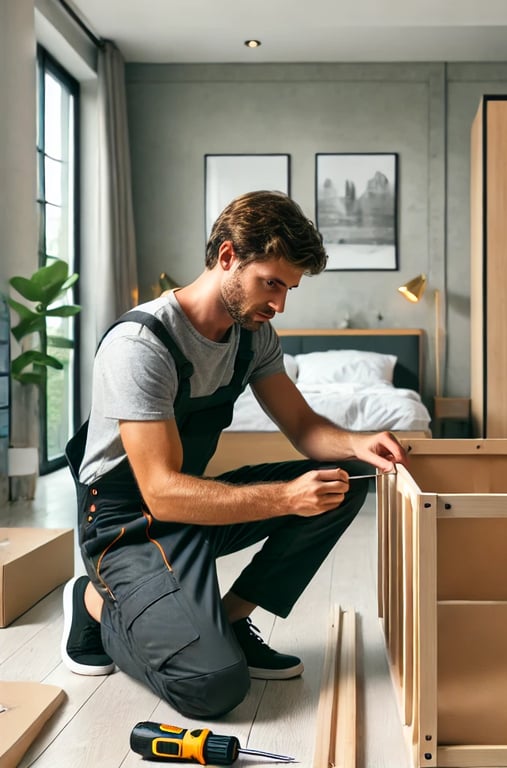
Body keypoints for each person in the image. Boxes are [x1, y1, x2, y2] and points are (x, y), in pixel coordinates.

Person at [60, 190, 406, 718]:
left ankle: (227, 619)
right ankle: (92, 600)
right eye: (271, 282)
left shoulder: (254, 335)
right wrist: (286, 498)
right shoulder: (141, 344)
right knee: (214, 687)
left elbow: (305, 426)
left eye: (289, 288)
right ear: (227, 257)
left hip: (186, 504)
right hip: (125, 525)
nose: (279, 304)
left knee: (346, 478)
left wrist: (359, 443)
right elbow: (159, 491)